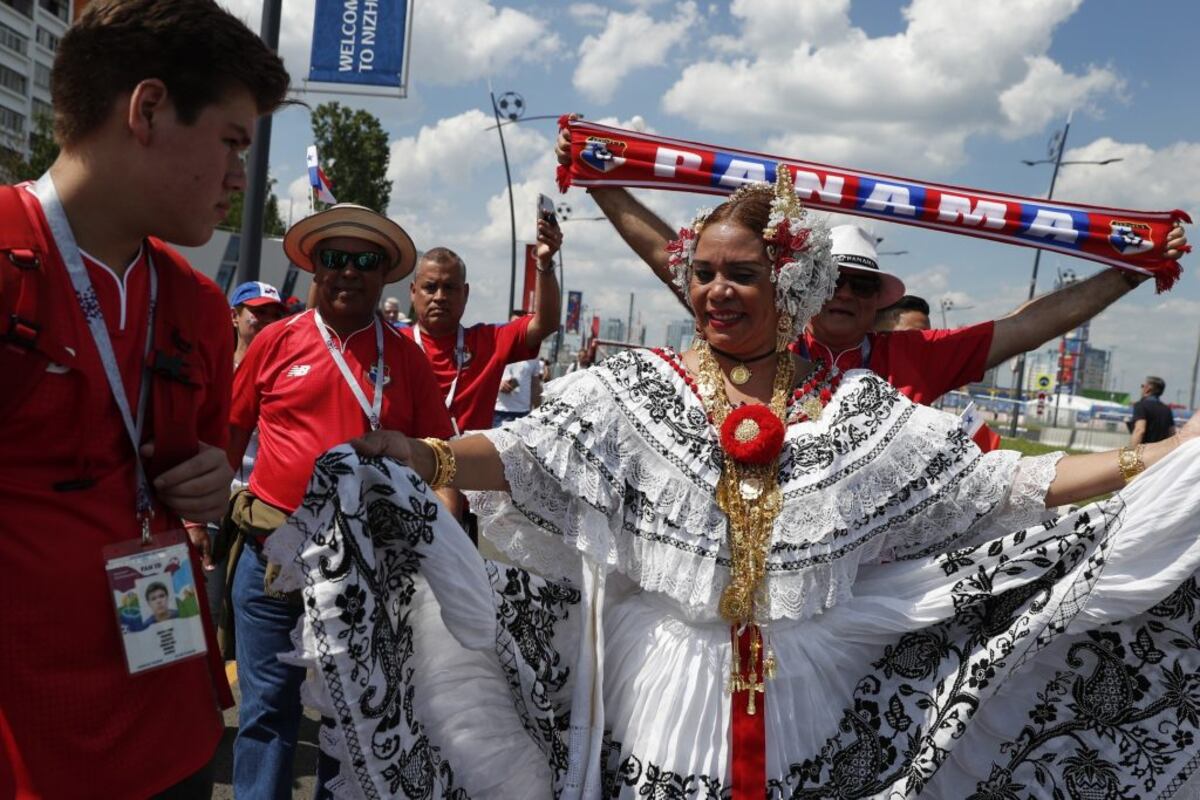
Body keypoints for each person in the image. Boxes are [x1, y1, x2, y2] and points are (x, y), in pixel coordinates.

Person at [269, 174, 1200, 797]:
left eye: (741, 275)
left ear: (788, 283)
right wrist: (422, 454)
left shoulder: (855, 410)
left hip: (805, 682)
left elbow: (1005, 483)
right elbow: (528, 454)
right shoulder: (637, 390)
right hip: (663, 676)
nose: (717, 291)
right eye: (704, 273)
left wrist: (1155, 461)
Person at [0, 1, 289, 797]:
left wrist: (207, 483)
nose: (240, 176)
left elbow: (195, 465)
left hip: (171, 726)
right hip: (32, 746)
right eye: (232, 142)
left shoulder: (197, 304)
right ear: (149, 109)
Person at [555, 118, 1188, 406]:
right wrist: (599, 176)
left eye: (862, 285)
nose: (845, 294)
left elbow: (1030, 325)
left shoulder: (917, 357)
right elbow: (673, 257)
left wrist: (1132, 269)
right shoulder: (763, 332)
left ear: (879, 298)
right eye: (833, 279)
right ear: (803, 281)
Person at [225, 203, 456, 799]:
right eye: (334, 258)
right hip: (272, 558)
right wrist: (196, 524)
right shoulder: (274, 342)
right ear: (316, 269)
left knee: (352, 721)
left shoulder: (407, 358)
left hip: (368, 569)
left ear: (384, 276)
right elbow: (227, 438)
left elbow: (441, 460)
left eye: (365, 261)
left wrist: (448, 549)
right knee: (266, 712)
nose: (348, 271)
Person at [403, 224, 561, 434]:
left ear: (465, 293)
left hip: (467, 455)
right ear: (413, 292)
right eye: (430, 287)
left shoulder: (489, 342)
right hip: (405, 455)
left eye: (450, 288)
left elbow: (546, 323)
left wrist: (545, 263)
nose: (440, 297)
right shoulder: (392, 344)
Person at [494, 313, 544, 427]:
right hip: (497, 412)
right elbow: (484, 377)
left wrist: (539, 413)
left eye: (520, 324)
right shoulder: (496, 347)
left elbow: (535, 385)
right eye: (514, 323)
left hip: (522, 413)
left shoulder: (532, 353)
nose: (516, 327)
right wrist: (498, 384)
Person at [1130, 375, 1177, 445]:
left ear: (1148, 389)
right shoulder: (1167, 409)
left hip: (1145, 449)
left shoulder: (1141, 406)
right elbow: (1172, 433)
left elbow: (1139, 430)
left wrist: (1131, 451)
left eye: (1142, 386)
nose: (1141, 388)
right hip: (1160, 450)